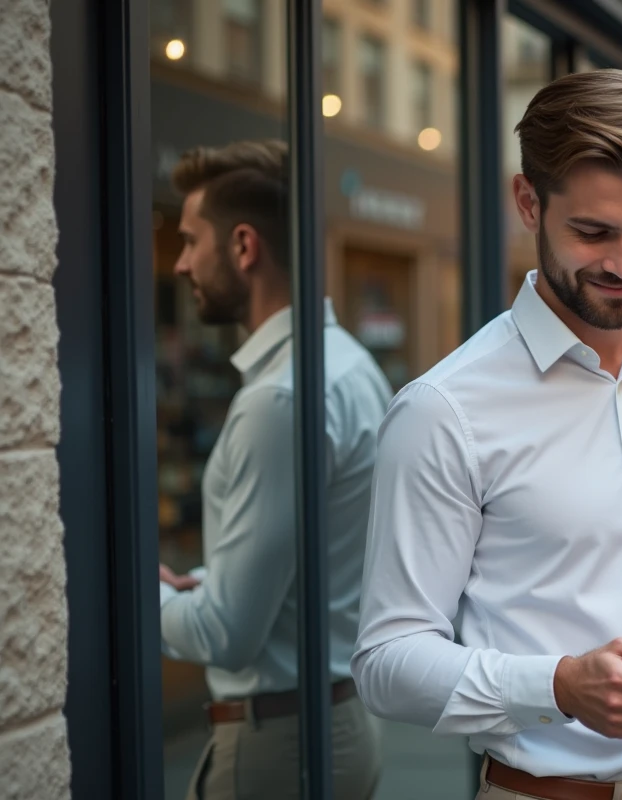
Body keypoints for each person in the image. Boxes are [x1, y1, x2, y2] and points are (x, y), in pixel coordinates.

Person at [352, 69, 622, 800]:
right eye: (593, 233)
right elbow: (387, 661)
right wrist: (557, 687)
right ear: (529, 203)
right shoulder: (443, 411)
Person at [157, 140, 389, 799]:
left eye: (189, 240)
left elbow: (225, 634)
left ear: (243, 246)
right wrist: (209, 582)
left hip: (279, 749)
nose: (179, 263)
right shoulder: (348, 364)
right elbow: (323, 560)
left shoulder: (278, 399)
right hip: (334, 722)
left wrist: (142, 592)